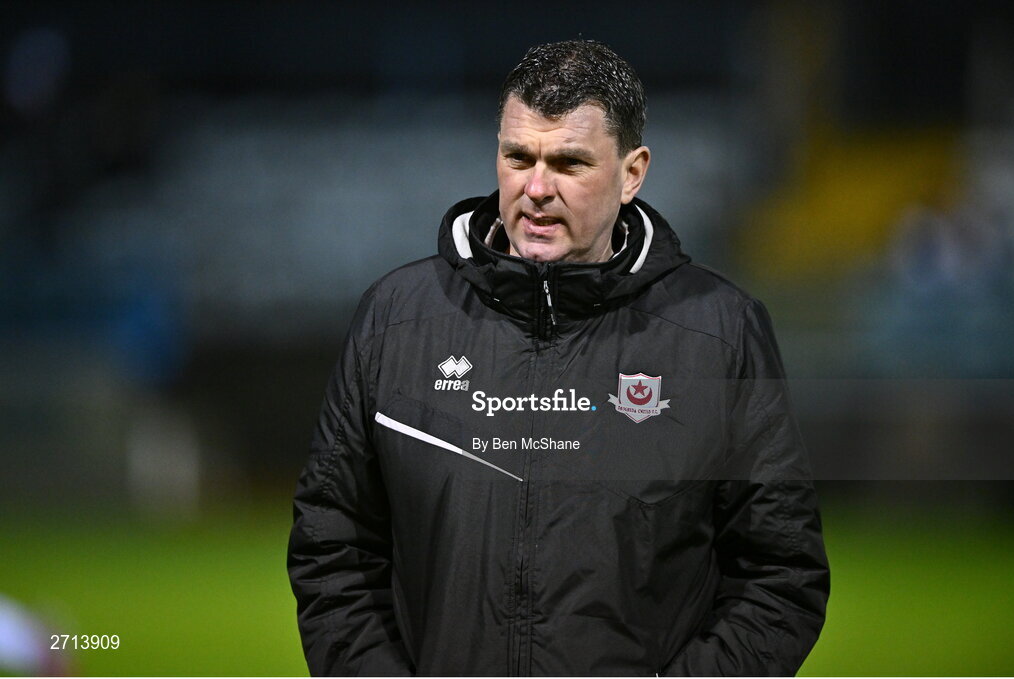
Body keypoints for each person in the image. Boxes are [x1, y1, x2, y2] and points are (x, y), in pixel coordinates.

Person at [288, 40, 829, 676]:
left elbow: (780, 575)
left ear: (632, 173)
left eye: (569, 164)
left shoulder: (721, 333)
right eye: (519, 157)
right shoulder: (395, 319)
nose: (536, 188)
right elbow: (333, 548)